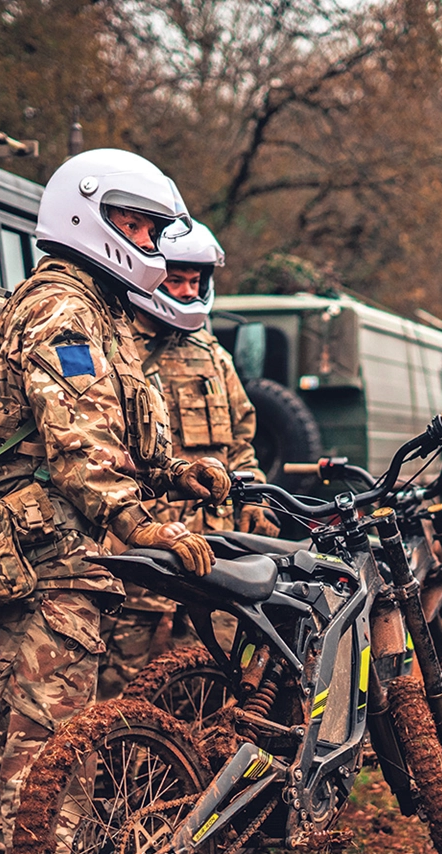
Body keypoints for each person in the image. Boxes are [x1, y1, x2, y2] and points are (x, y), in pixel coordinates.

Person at [0, 149, 232, 854]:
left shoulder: (91, 306)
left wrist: (174, 471)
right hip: (52, 561)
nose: (150, 242)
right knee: (50, 755)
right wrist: (139, 520)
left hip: (55, 558)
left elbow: (108, 428)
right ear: (90, 216)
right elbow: (79, 444)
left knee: (2, 735)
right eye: (136, 224)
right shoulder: (62, 308)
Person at [97, 220, 279, 698]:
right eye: (175, 280)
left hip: (215, 553)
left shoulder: (213, 355)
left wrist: (254, 496)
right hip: (146, 551)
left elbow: (240, 439)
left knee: (213, 678)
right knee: (122, 683)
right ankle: (117, 772)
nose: (186, 290)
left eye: (195, 282)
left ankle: (198, 767)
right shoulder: (119, 348)